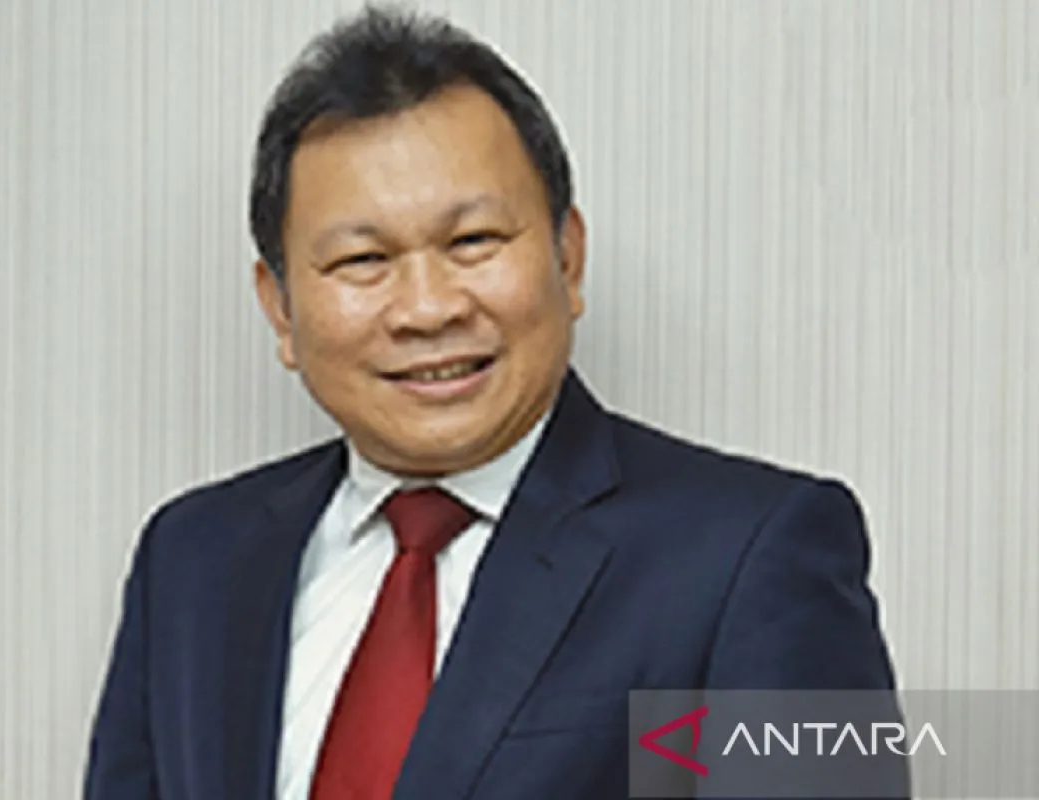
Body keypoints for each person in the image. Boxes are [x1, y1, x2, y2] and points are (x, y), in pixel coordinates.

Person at [84, 6, 901, 799]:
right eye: (362, 260)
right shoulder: (191, 561)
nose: (428, 308)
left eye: (473, 241)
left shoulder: (755, 553)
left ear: (567, 259)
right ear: (281, 310)